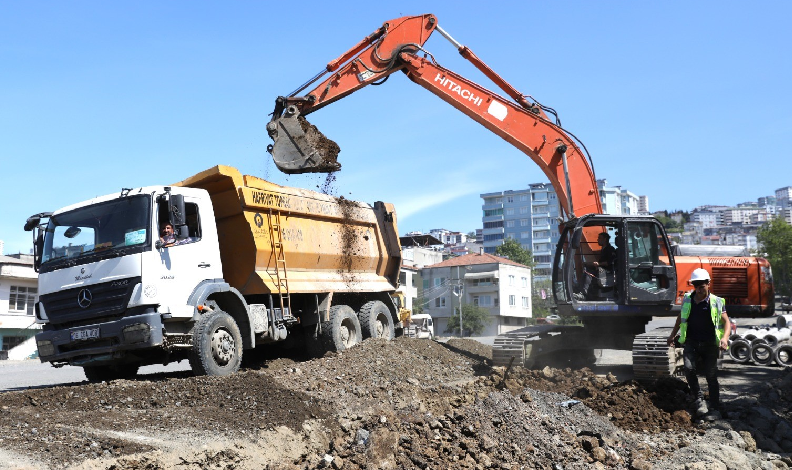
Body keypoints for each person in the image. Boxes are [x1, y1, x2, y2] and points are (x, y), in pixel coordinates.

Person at [666, 268, 731, 419]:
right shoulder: (688, 299)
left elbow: (726, 321)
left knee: (711, 375)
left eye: (702, 286)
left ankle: (714, 407)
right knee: (688, 369)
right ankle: (699, 399)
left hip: (710, 344)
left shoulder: (717, 301)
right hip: (691, 341)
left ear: (709, 284)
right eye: (696, 286)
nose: (699, 290)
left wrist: (725, 338)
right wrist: (672, 335)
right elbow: (680, 318)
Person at [574, 232, 617, 300]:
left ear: (605, 239)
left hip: (607, 272)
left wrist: (598, 264)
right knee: (587, 268)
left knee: (588, 274)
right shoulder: (603, 249)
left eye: (599, 238)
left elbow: (610, 262)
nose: (597, 240)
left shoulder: (610, 249)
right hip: (602, 271)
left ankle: (583, 294)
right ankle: (580, 289)